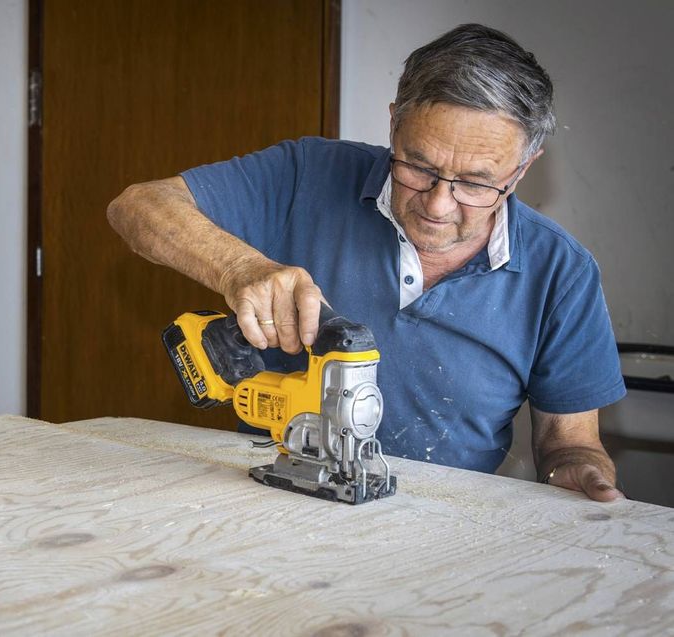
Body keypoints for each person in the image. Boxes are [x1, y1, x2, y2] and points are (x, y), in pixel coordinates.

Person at [106, 23, 626, 502]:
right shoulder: (307, 174)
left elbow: (569, 445)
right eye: (417, 166)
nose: (438, 203)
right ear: (395, 121)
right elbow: (135, 206)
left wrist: (576, 471)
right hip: (271, 503)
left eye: (475, 183)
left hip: (446, 529)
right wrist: (238, 267)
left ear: (522, 168)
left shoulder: (562, 273)